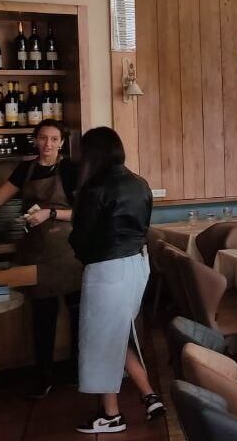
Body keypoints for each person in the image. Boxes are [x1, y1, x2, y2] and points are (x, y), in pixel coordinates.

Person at [0, 119, 81, 397]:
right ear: (35, 140)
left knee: (77, 314)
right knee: (42, 316)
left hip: (69, 253)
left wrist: (51, 213)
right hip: (37, 251)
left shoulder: (70, 170)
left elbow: (83, 212)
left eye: (54, 139)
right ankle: (43, 376)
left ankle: (77, 370)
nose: (48, 144)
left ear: (62, 142)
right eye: (43, 138)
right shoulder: (26, 169)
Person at [69, 127, 162, 433]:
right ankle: (149, 396)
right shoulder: (140, 183)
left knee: (101, 339)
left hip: (107, 269)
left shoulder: (94, 188)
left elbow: (81, 237)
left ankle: (111, 415)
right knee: (118, 333)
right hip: (138, 264)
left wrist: (81, 253)